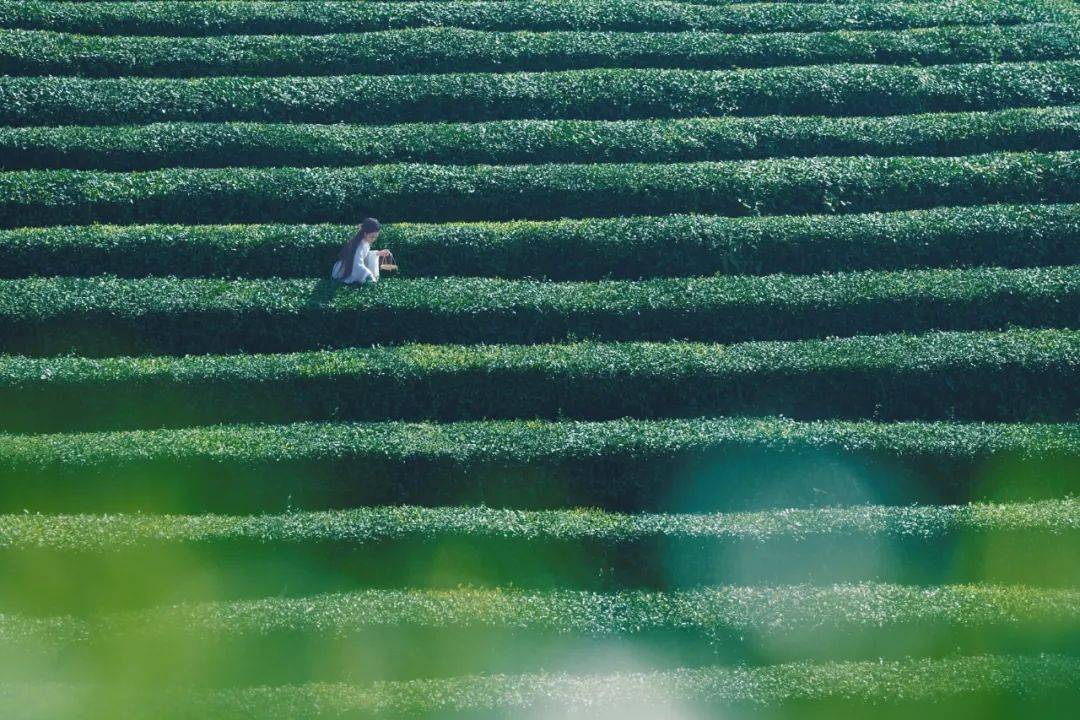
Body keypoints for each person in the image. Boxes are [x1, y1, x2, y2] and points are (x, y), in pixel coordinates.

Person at [331, 217, 393, 284]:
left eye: (376, 237)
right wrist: (369, 275)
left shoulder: (364, 241)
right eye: (372, 237)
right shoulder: (359, 245)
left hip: (351, 267)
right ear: (365, 233)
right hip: (344, 271)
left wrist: (378, 253)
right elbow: (357, 264)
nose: (374, 239)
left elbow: (365, 256)